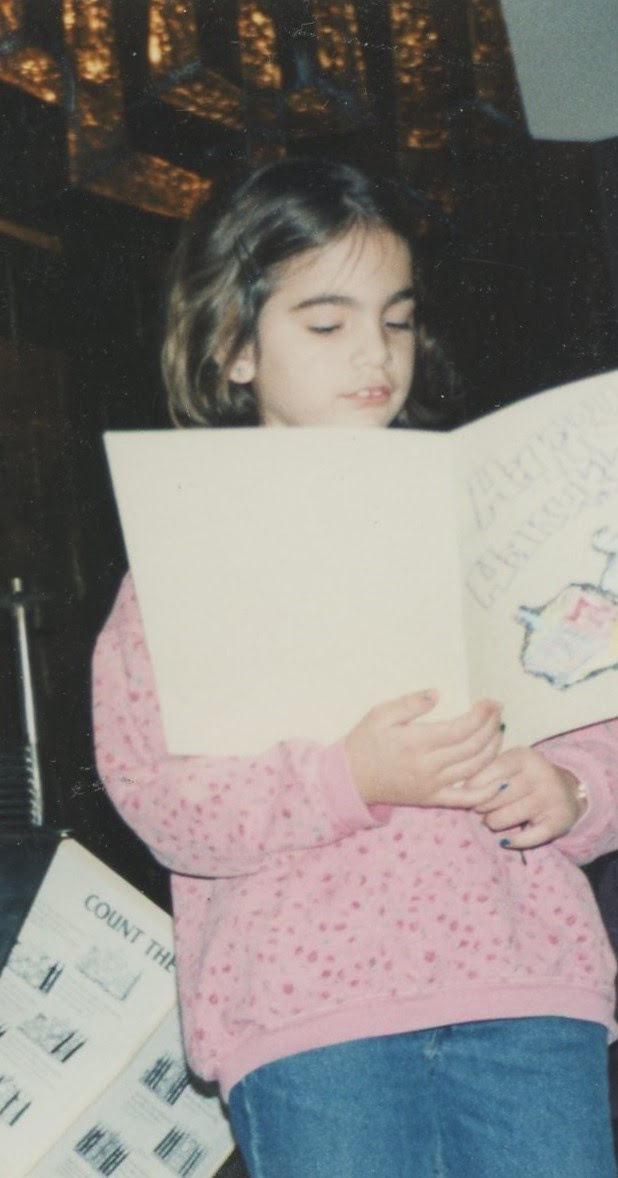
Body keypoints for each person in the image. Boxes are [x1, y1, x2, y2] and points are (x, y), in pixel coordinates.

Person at [92, 157, 618, 1178]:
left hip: (523, 984)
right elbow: (160, 794)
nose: (373, 351)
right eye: (325, 323)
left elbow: (593, 706)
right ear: (232, 347)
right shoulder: (185, 553)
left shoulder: (494, 515)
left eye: (396, 317)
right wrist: (350, 776)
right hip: (308, 1012)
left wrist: (570, 787)